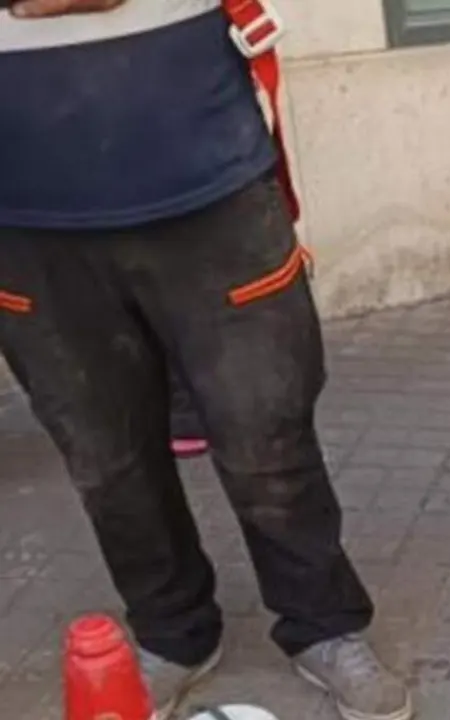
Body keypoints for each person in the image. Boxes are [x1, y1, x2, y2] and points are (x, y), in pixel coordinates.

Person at [0, 1, 413, 719]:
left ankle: (323, 624)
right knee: (107, 459)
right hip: (22, 217)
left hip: (207, 176)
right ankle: (173, 634)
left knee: (268, 436)